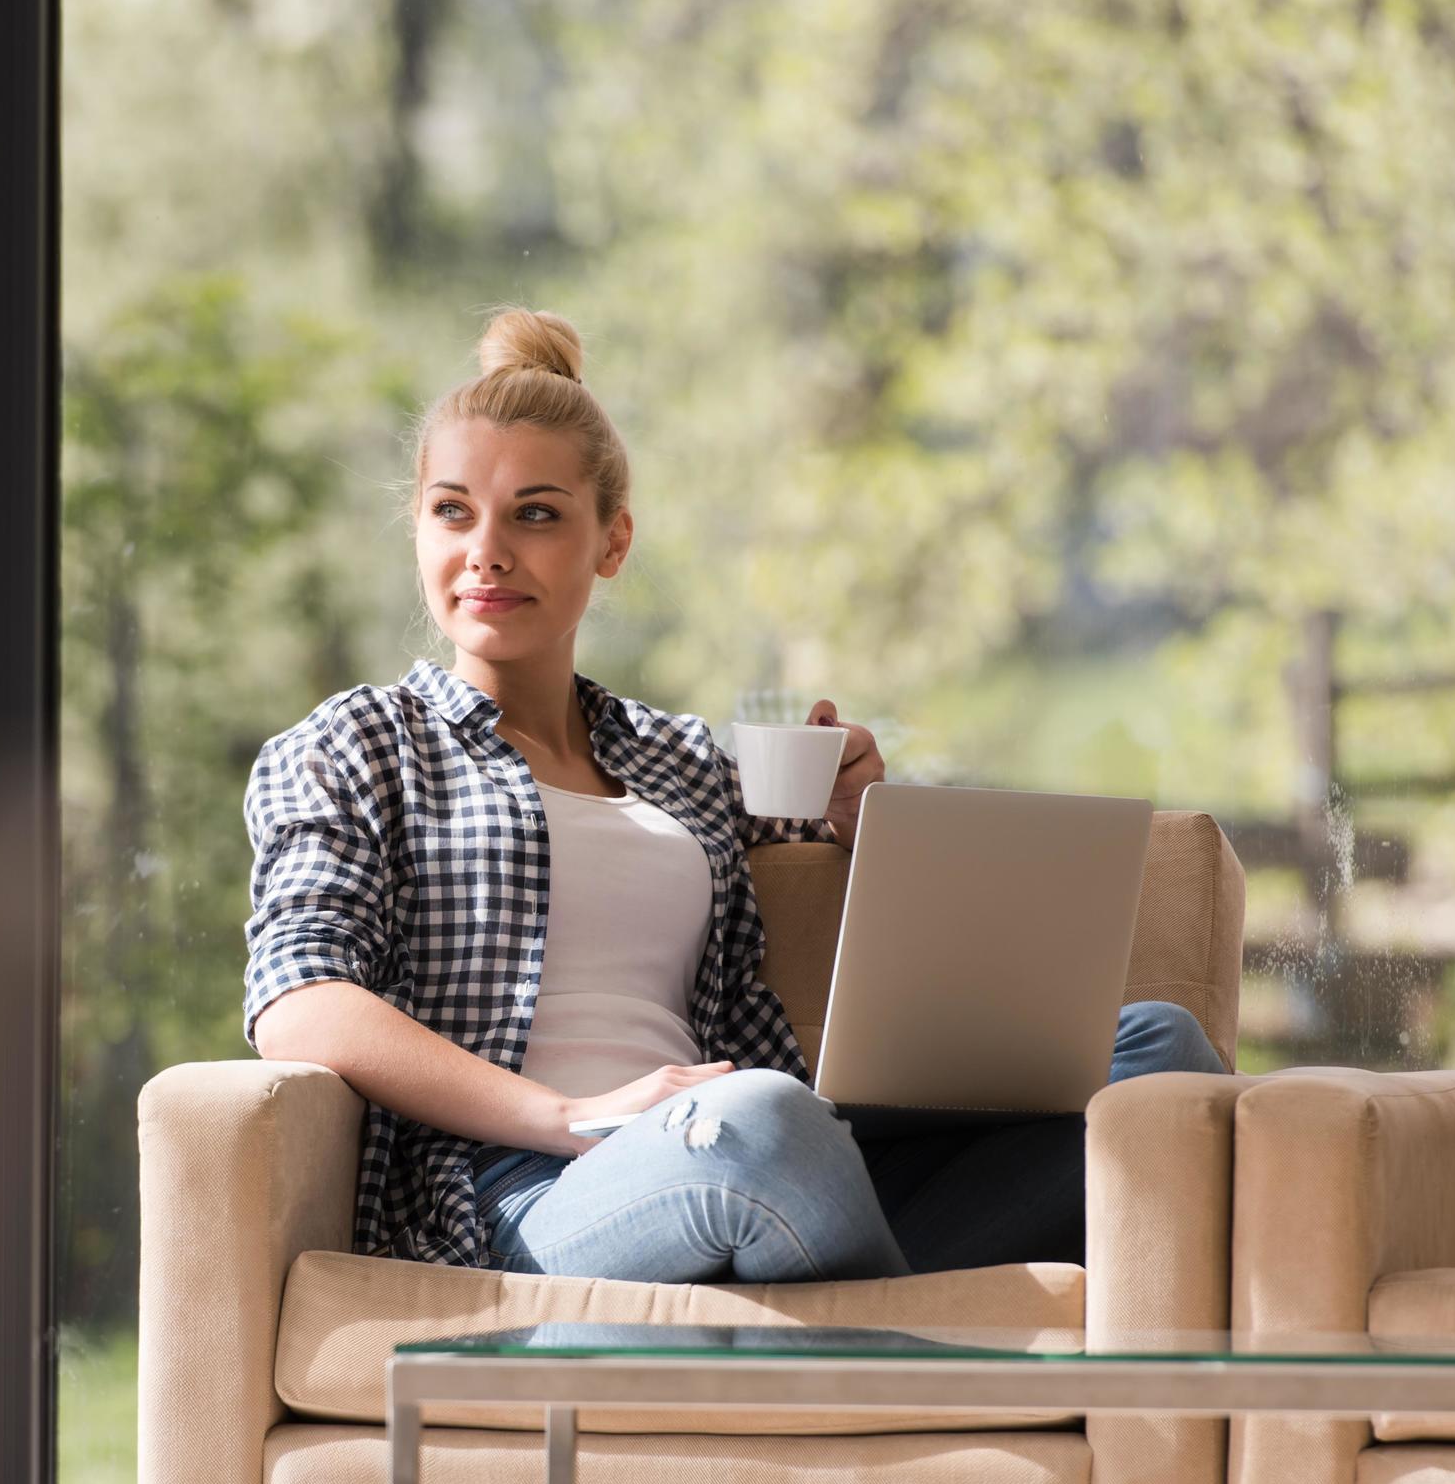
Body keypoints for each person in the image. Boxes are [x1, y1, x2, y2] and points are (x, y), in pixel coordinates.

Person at [242, 308, 1226, 1285]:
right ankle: (904, 1349)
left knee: (1158, 1054)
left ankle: (862, 1295)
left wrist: (855, 813)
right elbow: (300, 1002)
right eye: (453, 511)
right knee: (760, 1123)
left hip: (756, 1134)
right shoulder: (358, 743)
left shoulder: (679, 758)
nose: (487, 551)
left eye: (536, 513)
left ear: (611, 541)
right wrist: (573, 1115)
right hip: (530, 1187)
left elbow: (815, 829)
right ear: (418, 528)